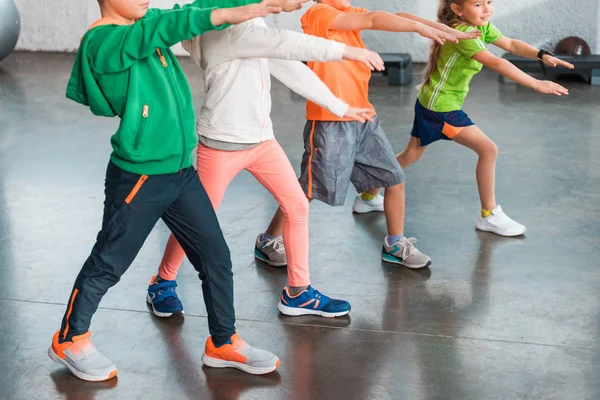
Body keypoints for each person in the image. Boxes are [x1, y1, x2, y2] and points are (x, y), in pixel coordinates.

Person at [48, 0, 310, 381]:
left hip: (181, 171)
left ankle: (222, 342)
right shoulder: (100, 41)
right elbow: (164, 29)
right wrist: (226, 17)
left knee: (216, 257)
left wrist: (253, 4)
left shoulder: (147, 22)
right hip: (140, 177)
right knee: (109, 262)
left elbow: (191, 10)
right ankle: (70, 339)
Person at [148, 17, 385, 319]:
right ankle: (163, 281)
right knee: (197, 219)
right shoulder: (229, 30)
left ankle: (299, 292)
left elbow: (287, 65)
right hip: (222, 144)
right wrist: (347, 51)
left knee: (297, 206)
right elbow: (288, 44)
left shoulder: (251, 24)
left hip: (262, 141)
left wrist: (340, 106)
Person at [257, 0, 480, 269]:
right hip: (330, 120)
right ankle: (268, 240)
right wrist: (422, 29)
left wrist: (443, 30)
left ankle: (395, 244)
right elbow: (375, 19)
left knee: (394, 178)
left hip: (363, 116)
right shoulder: (320, 14)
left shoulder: (347, 13)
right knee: (307, 188)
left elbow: (396, 15)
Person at [359, 0, 574, 237]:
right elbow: (495, 61)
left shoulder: (480, 27)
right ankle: (489, 214)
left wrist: (541, 55)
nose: (487, 9)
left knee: (411, 154)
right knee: (488, 150)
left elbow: (510, 44)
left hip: (431, 102)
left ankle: (367, 196)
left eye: (489, 2)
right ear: (458, 10)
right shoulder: (462, 34)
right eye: (478, 4)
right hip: (441, 108)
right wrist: (535, 83)